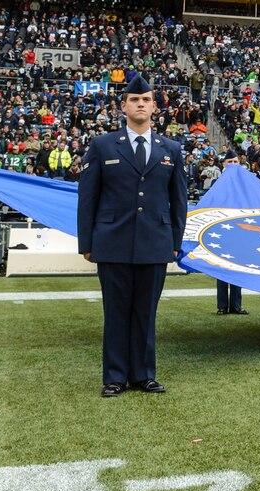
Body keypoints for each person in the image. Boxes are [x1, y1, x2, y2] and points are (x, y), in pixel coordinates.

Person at [78, 74, 188, 397]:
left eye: (146, 100)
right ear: (122, 105)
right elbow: (88, 197)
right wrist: (87, 242)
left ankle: (143, 374)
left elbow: (179, 201)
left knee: (145, 312)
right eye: (134, 100)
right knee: (115, 311)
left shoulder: (172, 149)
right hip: (112, 242)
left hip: (155, 243)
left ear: (154, 106)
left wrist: (175, 243)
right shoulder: (102, 146)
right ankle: (114, 376)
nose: (140, 104)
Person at [216, 150, 248, 315]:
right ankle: (222, 305)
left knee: (237, 268)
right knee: (221, 268)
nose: (234, 165)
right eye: (231, 162)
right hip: (222, 230)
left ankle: (235, 305)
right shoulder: (218, 182)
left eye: (236, 162)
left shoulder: (244, 183)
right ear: (224, 165)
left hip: (239, 229)